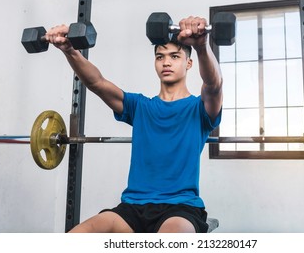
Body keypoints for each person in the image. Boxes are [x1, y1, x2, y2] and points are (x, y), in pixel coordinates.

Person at [45, 15, 223, 233]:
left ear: (188, 63)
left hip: (180, 208)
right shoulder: (140, 106)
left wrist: (202, 46)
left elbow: (214, 84)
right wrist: (69, 50)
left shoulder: (199, 109)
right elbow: (96, 83)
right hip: (132, 207)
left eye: (174, 56)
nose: (166, 62)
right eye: (160, 57)